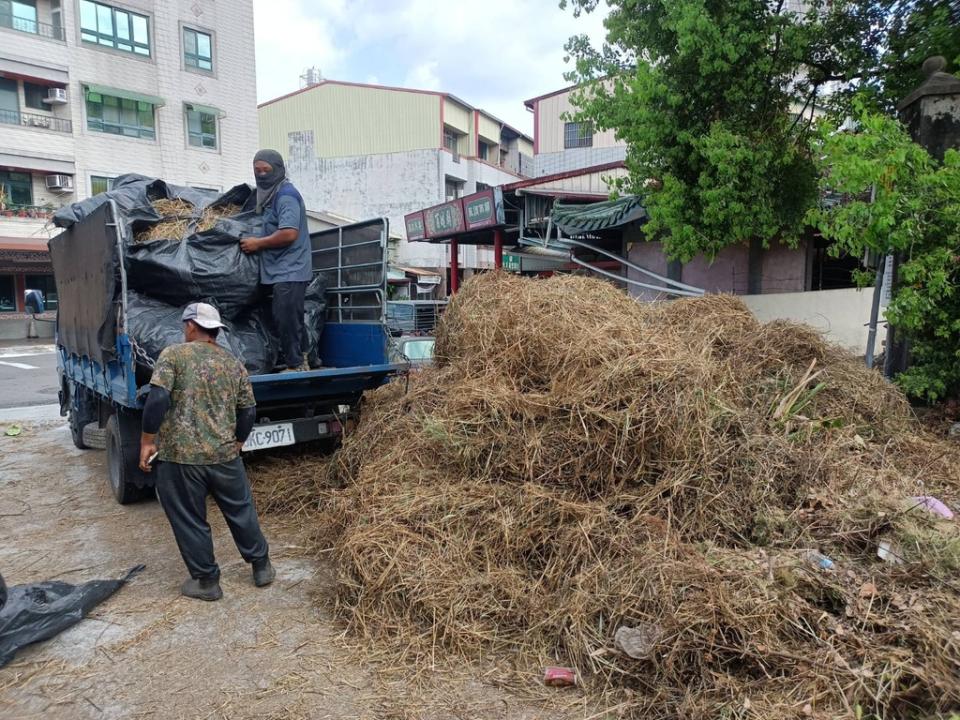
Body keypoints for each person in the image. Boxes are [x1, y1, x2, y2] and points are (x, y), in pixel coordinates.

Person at [138, 302, 275, 601]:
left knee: (190, 518)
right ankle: (261, 566)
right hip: (225, 457)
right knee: (240, 511)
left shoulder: (173, 355)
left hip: (180, 459)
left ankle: (206, 582)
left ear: (190, 326)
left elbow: (158, 398)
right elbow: (249, 410)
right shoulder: (232, 363)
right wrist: (238, 441)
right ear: (216, 330)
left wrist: (147, 440)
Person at [239, 149, 312, 372]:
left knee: (287, 317)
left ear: (278, 170)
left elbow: (289, 233)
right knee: (289, 317)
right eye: (257, 170)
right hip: (278, 269)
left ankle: (297, 363)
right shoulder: (270, 196)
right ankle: (309, 358)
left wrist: (257, 243)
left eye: (266, 170)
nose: (261, 175)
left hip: (291, 269)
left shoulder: (286, 195)